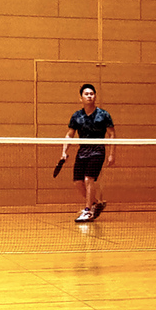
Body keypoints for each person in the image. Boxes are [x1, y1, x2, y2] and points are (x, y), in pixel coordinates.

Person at [61, 84, 116, 223]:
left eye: (92, 93)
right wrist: (64, 151)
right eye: (86, 94)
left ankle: (87, 211)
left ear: (95, 96)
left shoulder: (104, 115)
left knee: (88, 180)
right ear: (81, 98)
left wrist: (111, 154)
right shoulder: (77, 116)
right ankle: (96, 203)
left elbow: (112, 134)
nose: (89, 96)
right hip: (82, 151)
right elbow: (69, 135)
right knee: (77, 182)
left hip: (97, 151)